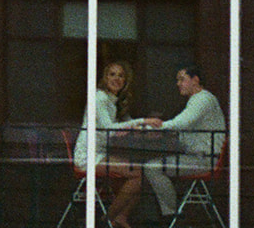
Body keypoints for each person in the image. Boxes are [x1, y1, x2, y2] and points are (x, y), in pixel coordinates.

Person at [140, 65, 225, 221]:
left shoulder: (202, 99)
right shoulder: (200, 100)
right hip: (201, 157)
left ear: (195, 80)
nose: (178, 83)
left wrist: (154, 127)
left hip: (203, 159)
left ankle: (171, 215)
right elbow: (184, 129)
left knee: (152, 167)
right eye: (177, 80)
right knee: (154, 165)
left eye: (182, 79)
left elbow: (182, 123)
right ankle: (170, 213)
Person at [74, 61, 143, 228]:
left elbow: (128, 122)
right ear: (105, 78)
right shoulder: (99, 97)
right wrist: (142, 122)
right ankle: (106, 220)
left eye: (121, 75)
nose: (116, 79)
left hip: (100, 154)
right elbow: (110, 129)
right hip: (88, 156)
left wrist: (147, 126)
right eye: (112, 74)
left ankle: (120, 218)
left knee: (136, 172)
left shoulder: (113, 101)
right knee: (137, 174)